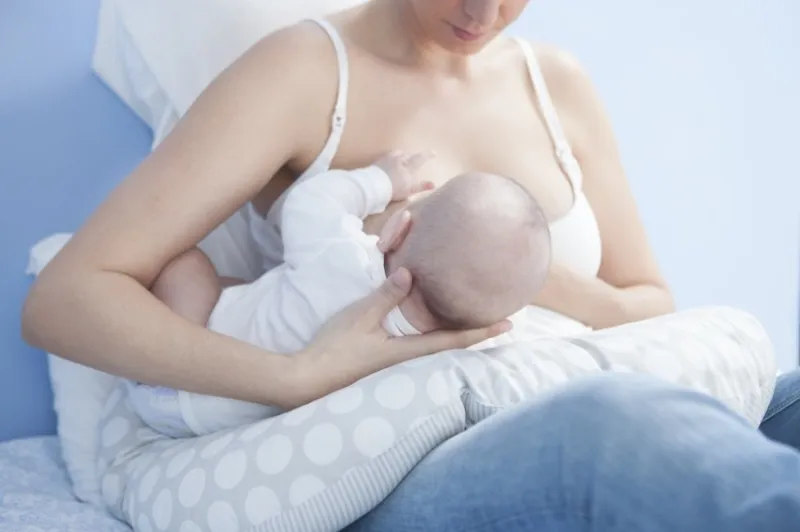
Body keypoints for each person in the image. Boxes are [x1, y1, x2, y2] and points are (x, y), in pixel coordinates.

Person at [21, 0, 800, 530]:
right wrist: (293, 377)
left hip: (544, 377)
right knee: (612, 426)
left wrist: (501, 266)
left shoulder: (555, 84)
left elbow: (648, 302)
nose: (482, 15)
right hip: (404, 452)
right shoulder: (305, 74)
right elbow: (64, 301)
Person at [130, 152, 551, 437]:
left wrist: (384, 179)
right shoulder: (450, 354)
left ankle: (158, 354)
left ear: (400, 227)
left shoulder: (340, 254)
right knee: (247, 293)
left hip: (176, 388)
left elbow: (309, 201)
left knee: (189, 265)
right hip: (231, 425)